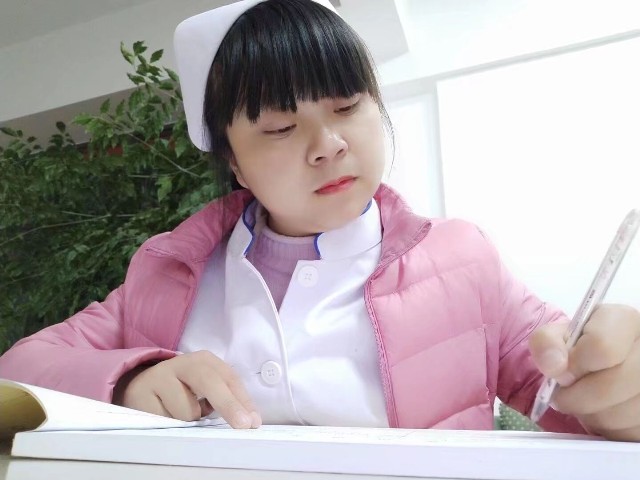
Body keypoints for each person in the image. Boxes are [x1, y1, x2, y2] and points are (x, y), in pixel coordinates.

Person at [1, 0, 639, 441]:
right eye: (280, 127)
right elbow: (19, 369)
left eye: (347, 105)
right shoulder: (168, 270)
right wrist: (129, 381)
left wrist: (618, 388)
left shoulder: (462, 261)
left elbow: (575, 399)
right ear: (234, 162)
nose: (328, 145)